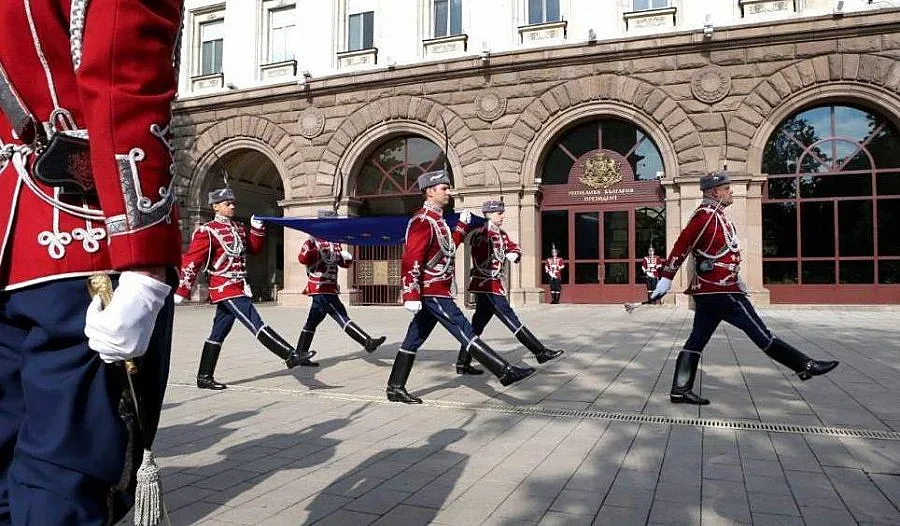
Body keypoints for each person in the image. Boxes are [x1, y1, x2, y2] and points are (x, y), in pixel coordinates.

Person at [0, 1, 183, 523]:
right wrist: (146, 260)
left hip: (10, 243)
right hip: (82, 244)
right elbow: (125, 73)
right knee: (63, 477)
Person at [651, 171, 839, 405]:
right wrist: (666, 278)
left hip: (714, 292)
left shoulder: (718, 216)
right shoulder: (704, 217)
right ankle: (805, 365)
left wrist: (737, 276)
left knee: (696, 341)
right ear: (714, 192)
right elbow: (683, 245)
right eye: (727, 189)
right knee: (762, 335)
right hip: (722, 292)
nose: (731, 192)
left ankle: (680, 390)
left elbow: (724, 252)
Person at [387, 170, 535, 404]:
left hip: (439, 288)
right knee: (464, 329)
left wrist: (460, 229)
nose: (448, 192)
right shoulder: (422, 221)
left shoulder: (439, 221)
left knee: (413, 339)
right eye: (444, 189)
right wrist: (411, 293)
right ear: (429, 191)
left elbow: (447, 249)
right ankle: (504, 371)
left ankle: (395, 387)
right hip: (432, 290)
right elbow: (411, 258)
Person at [175, 189, 315, 390]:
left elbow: (254, 249)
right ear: (216, 206)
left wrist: (257, 229)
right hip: (224, 286)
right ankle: (289, 354)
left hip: (239, 285)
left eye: (233, 203)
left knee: (218, 333)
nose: (232, 206)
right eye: (227, 203)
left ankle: (204, 376)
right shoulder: (207, 231)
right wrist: (182, 289)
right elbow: (192, 260)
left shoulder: (239, 228)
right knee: (255, 322)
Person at [456, 200, 564, 375]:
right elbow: (481, 255)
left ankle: (462, 363)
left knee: (476, 327)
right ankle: (539, 352)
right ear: (488, 214)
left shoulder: (501, 234)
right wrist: (500, 248)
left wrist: (514, 252)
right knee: (511, 319)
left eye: (502, 212)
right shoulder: (480, 234)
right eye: (499, 213)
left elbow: (513, 246)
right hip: (487, 284)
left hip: (493, 285)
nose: (502, 216)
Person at [294, 210, 386, 365]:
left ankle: (299, 354)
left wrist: (346, 259)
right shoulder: (314, 241)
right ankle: (367, 342)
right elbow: (303, 259)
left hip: (330, 287)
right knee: (341, 316)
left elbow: (342, 264)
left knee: (311, 322)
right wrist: (310, 243)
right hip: (320, 287)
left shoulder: (335, 242)